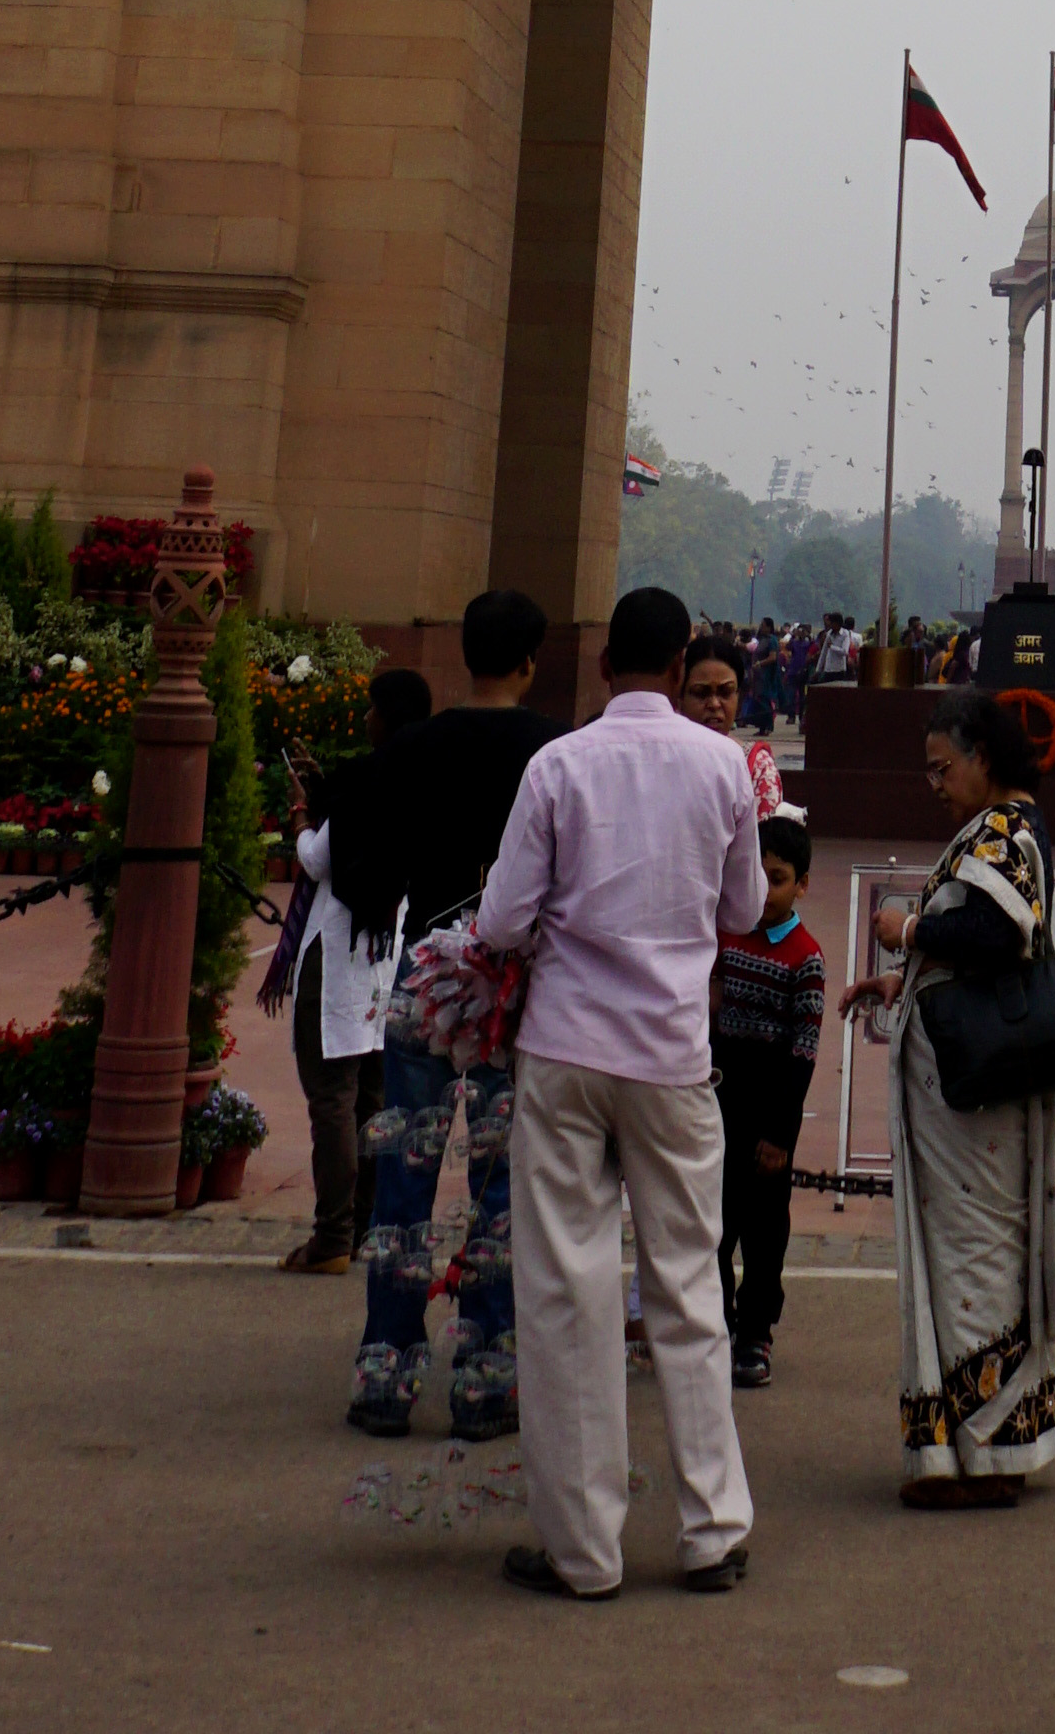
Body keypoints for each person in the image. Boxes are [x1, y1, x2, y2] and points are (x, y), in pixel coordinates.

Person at [476, 578, 760, 1600]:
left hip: (566, 1047)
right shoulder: (723, 764)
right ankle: (712, 1530)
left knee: (567, 1292)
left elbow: (502, 921)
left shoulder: (559, 763)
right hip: (672, 1053)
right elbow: (745, 908)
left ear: (603, 665)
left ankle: (584, 1549)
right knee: (688, 1285)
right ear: (682, 668)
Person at [851, 690, 1055, 1507]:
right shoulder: (1009, 827)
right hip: (977, 1085)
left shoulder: (1002, 831)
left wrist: (908, 931)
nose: (934, 784)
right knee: (981, 1250)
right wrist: (904, 977)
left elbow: (1000, 937)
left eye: (942, 767)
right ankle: (997, 1439)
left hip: (974, 1104)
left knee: (974, 1254)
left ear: (982, 758)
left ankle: (985, 1450)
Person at [344, 586, 550, 1444]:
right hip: (512, 988)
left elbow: (365, 867)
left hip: (426, 974)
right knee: (500, 1187)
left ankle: (385, 1376)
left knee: (405, 1178)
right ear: (531, 661)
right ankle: (485, 1383)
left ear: (466, 654)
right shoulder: (552, 751)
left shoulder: (411, 748)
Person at [268, 659, 432, 1277]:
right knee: (370, 1093)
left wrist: (301, 816)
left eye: (372, 708)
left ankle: (332, 1234)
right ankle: (364, 1225)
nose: (365, 718)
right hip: (386, 948)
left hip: (338, 948)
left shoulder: (366, 777)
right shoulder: (419, 775)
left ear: (386, 717)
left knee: (332, 1096)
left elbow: (318, 860)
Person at [712, 811, 826, 1387]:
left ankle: (755, 1332)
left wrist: (780, 1135)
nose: (764, 890)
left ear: (801, 884)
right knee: (713, 1226)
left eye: (777, 879)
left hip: (768, 1114)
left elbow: (802, 1054)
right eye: (756, 877)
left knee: (763, 1232)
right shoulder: (727, 936)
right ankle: (716, 1325)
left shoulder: (806, 957)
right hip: (717, 1107)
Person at [679, 633, 786, 820]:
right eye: (701, 693)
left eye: (725, 692)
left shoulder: (756, 767)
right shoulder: (662, 760)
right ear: (679, 698)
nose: (714, 704)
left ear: (738, 696)